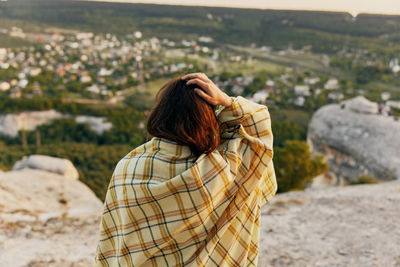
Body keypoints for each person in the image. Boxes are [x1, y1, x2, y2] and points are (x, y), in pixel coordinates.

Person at [94, 72, 277, 266]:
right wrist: (226, 102)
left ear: (161, 112)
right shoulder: (225, 170)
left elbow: (113, 244)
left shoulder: (129, 167)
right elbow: (258, 125)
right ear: (207, 121)